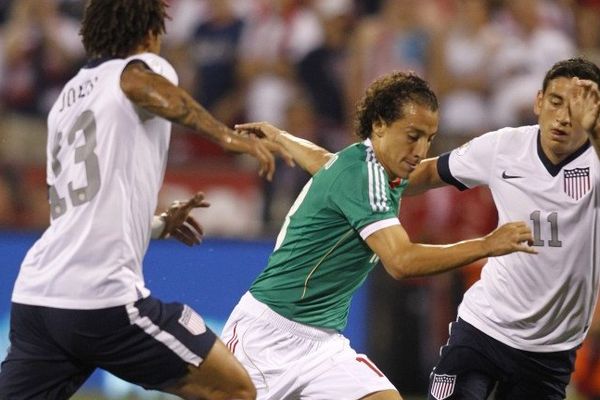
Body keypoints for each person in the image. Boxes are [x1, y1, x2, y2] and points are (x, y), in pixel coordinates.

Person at [0, 0, 283, 398]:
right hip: (100, 297)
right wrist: (227, 137)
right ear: (151, 34)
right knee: (234, 390)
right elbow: (138, 83)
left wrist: (156, 224)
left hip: (37, 296)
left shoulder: (65, 100)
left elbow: (83, 210)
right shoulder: (142, 68)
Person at [221, 71, 536, 400]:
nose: (420, 149)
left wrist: (283, 138)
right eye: (413, 135)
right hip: (267, 337)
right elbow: (401, 262)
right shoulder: (364, 177)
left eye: (429, 138)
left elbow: (325, 161)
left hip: (323, 345)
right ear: (380, 124)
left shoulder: (367, 165)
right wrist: (486, 244)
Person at [408, 58, 600, 400]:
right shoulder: (503, 147)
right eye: (556, 102)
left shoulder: (594, 163)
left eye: (577, 107)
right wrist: (360, 182)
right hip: (484, 327)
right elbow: (425, 174)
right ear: (539, 101)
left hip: (550, 351)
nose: (564, 117)